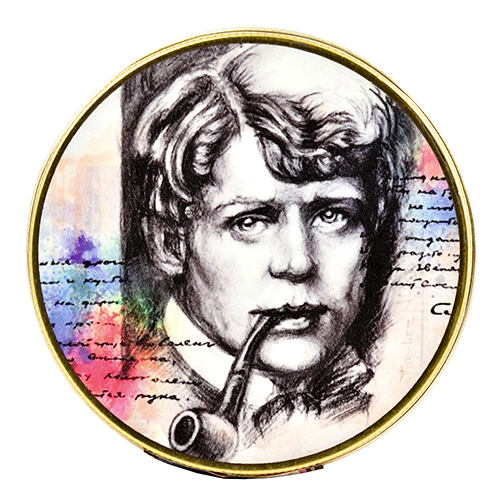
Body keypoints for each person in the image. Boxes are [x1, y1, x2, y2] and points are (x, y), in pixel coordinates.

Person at [119, 44, 415, 462]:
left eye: (332, 215)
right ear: (170, 241)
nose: (297, 263)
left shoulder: (378, 393)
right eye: (250, 222)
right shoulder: (131, 395)